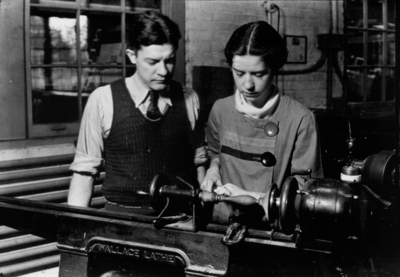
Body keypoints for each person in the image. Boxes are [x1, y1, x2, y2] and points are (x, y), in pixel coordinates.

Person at [68, 11, 206, 214]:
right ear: (132, 55)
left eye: (169, 60)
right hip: (121, 223)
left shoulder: (189, 99)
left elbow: (199, 165)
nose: (164, 71)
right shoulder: (103, 100)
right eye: (152, 62)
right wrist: (75, 230)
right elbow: (83, 175)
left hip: (180, 220)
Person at [201, 21, 323, 224]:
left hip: (271, 230)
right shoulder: (220, 110)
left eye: (259, 74)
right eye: (239, 73)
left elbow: (308, 193)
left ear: (274, 69)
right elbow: (215, 153)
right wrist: (213, 169)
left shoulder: (300, 119)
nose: (247, 84)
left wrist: (256, 198)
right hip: (221, 224)